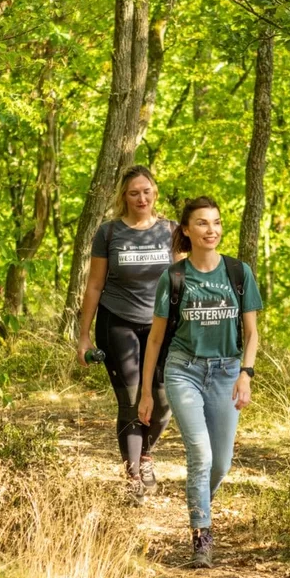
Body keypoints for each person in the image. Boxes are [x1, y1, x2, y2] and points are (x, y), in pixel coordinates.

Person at [138, 196, 262, 568]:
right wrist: (146, 393)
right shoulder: (174, 277)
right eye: (203, 223)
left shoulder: (238, 273)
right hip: (183, 370)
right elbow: (155, 339)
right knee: (201, 455)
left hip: (226, 372)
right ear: (187, 230)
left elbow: (252, 334)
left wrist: (246, 374)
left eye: (216, 222)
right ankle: (201, 539)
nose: (212, 230)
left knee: (220, 464)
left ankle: (198, 501)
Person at [75, 166, 178, 497]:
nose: (141, 198)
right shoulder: (109, 233)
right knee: (131, 401)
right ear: (124, 196)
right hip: (117, 321)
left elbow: (185, 281)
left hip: (162, 326)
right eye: (134, 193)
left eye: (146, 191)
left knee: (163, 401)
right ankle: (133, 477)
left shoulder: (172, 231)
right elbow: (94, 285)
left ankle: (145, 454)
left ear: (155, 193)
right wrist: (83, 336)